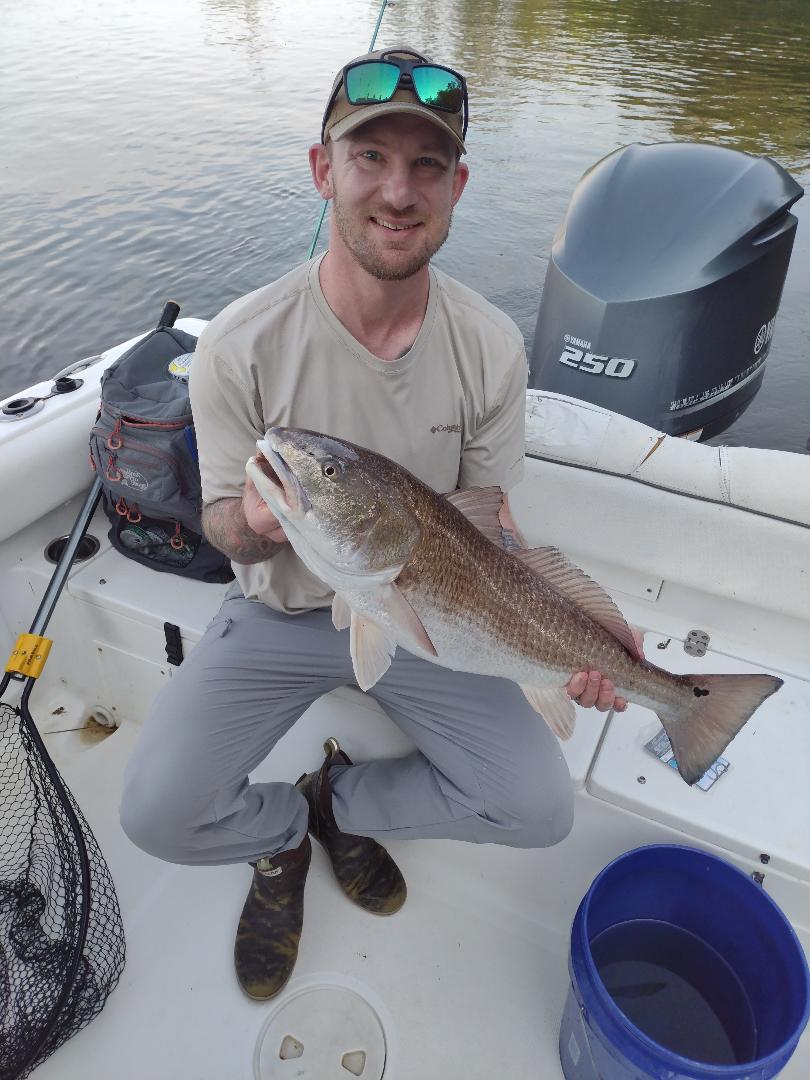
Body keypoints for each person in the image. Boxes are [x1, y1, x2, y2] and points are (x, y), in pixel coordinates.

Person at [120, 45, 633, 1002]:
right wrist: (259, 522)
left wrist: (582, 638)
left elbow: (493, 530)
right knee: (155, 811)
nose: (397, 193)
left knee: (539, 809)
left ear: (457, 187)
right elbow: (223, 522)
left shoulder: (489, 345)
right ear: (324, 170)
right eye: (369, 158)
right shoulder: (238, 344)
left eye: (427, 165)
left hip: (435, 615)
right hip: (278, 611)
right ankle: (279, 839)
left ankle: (339, 803)